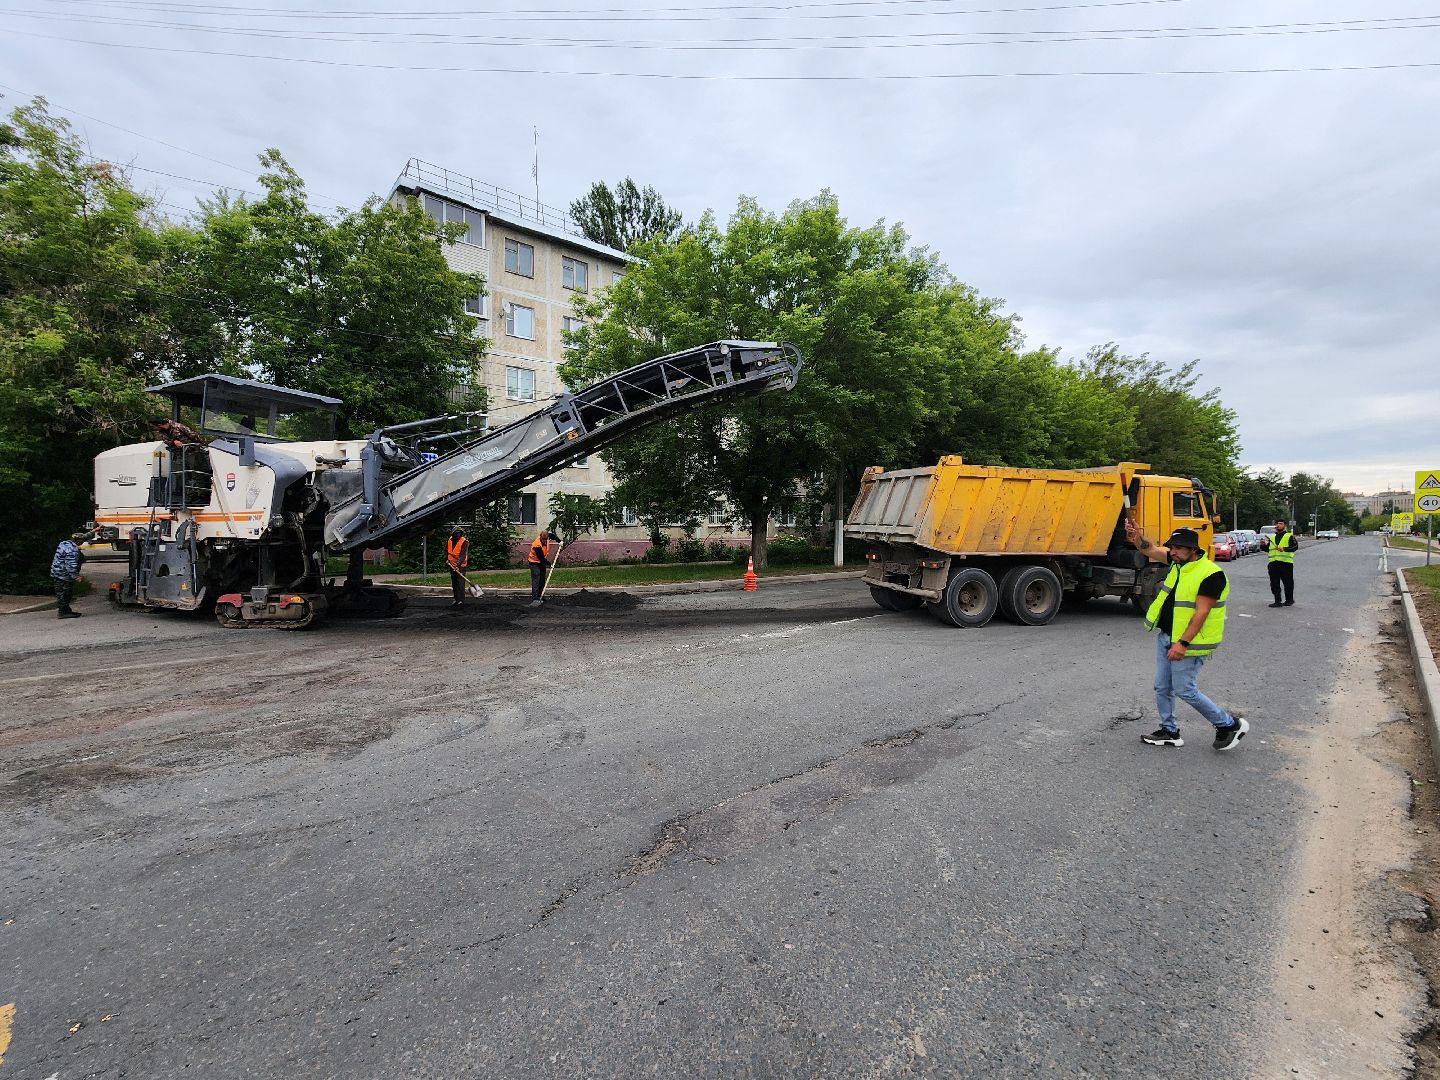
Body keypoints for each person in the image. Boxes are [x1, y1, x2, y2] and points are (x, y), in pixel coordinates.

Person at [1125, 519, 1248, 751]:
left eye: (1179, 548)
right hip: (1167, 636)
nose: (1173, 552)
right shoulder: (1178, 563)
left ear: (1194, 550)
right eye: (1172, 547)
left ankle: (1228, 724)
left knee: (1184, 689)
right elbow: (1149, 549)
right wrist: (1136, 538)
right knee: (1162, 687)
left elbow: (1201, 613)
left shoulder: (1211, 574)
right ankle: (1169, 731)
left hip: (1190, 642)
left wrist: (1182, 643)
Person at [50, 531, 89, 620]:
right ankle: (63, 612)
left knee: (63, 593)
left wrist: (94, 531)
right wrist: (76, 576)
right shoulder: (72, 550)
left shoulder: (65, 543)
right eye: (82, 540)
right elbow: (70, 565)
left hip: (57, 572)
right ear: (79, 541)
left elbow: (85, 536)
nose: (83, 541)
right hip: (63, 575)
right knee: (64, 594)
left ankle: (66, 610)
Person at [1264, 518, 1299, 607]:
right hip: (1273, 563)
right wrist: (1262, 545)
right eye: (1277, 523)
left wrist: (1284, 549)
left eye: (1280, 523)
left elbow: (1295, 547)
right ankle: (1277, 601)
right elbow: (1267, 549)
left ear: (1284, 525)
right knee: (1274, 583)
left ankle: (1289, 600)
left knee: (1288, 583)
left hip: (1286, 563)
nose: (1278, 525)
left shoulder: (1289, 536)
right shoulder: (1272, 537)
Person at [526, 529, 562, 608]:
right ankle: (535, 598)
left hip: (541, 562)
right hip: (534, 562)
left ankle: (540, 596)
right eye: (544, 539)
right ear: (540, 537)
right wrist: (549, 564)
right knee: (536, 579)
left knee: (542, 579)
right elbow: (541, 558)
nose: (545, 541)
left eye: (546, 539)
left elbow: (552, 536)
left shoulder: (547, 537)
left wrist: (559, 541)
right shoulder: (537, 545)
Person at [445, 526, 470, 607]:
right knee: (454, 583)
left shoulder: (464, 542)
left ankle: (461, 600)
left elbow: (463, 555)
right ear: (453, 533)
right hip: (452, 565)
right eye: (456, 533)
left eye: (459, 533)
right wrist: (446, 559)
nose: (457, 534)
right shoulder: (450, 540)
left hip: (461, 566)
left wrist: (458, 565)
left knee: (460, 583)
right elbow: (446, 550)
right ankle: (456, 599)